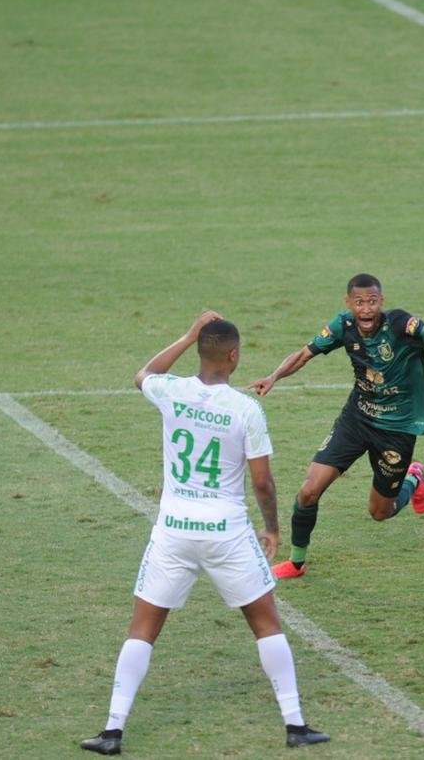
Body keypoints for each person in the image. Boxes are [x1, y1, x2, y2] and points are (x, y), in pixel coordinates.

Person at [80, 311, 328, 755]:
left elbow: (144, 374)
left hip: (173, 532)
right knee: (266, 624)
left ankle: (112, 730)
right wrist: (271, 528)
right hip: (227, 533)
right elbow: (263, 483)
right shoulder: (245, 408)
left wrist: (187, 333)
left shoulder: (171, 391)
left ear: (200, 352)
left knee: (142, 631)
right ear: (233, 356)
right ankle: (295, 724)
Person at [250, 274, 424, 579]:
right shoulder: (343, 325)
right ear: (349, 303)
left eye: (372, 301)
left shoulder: (402, 324)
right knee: (308, 491)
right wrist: (274, 376)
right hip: (357, 418)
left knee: (380, 513)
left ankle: (414, 477)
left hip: (397, 429)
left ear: (382, 302)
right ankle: (297, 563)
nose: (366, 309)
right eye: (359, 302)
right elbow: (304, 354)